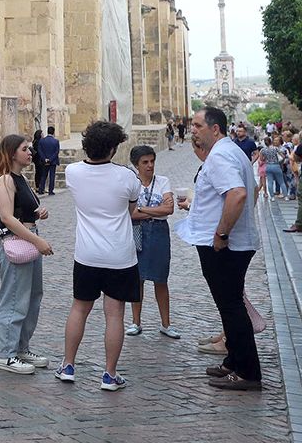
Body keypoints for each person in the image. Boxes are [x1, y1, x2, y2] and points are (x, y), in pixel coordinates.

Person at [176, 107, 262, 390]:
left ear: (215, 129)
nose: (193, 130)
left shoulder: (222, 155)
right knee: (229, 306)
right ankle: (234, 361)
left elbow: (237, 194)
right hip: (232, 242)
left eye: (198, 126)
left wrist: (221, 233)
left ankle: (248, 372)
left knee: (232, 307)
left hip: (227, 245)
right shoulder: (228, 151)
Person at [56, 121, 140, 391]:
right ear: (114, 148)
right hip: (119, 255)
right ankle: (110, 374)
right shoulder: (126, 176)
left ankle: (68, 365)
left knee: (79, 308)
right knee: (114, 315)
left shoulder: (73, 172)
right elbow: (132, 207)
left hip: (87, 254)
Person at [0, 134, 53, 374]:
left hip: (28, 239)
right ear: (12, 153)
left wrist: (38, 213)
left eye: (30, 149)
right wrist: (38, 241)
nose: (30, 153)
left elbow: (23, 211)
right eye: (25, 149)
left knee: (33, 296)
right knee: (14, 298)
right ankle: (6, 354)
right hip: (17, 242)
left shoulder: (21, 178)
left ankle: (20, 347)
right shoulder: (5, 179)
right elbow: (6, 217)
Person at [122, 147, 179, 339]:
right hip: (136, 232)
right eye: (145, 162)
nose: (150, 166)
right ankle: (135, 322)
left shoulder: (163, 181)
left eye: (152, 161)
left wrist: (143, 210)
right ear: (136, 165)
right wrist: (155, 209)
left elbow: (169, 209)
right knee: (136, 279)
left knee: (161, 279)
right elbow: (131, 213)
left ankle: (166, 324)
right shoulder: (132, 184)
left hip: (159, 233)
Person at [37, 126, 60, 196]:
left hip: (44, 161)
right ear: (53, 132)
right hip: (53, 161)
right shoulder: (56, 141)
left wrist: (45, 159)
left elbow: (40, 151)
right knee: (52, 176)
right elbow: (56, 152)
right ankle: (51, 190)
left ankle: (41, 189)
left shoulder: (42, 141)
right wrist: (50, 159)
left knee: (44, 175)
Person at [262, 134, 286, 199]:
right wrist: (281, 161)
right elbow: (283, 156)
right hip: (276, 165)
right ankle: (286, 196)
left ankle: (272, 197)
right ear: (271, 141)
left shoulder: (263, 150)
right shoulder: (275, 148)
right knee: (281, 181)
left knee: (270, 182)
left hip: (268, 166)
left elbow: (262, 159)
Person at [32, 129, 47, 194]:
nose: (43, 135)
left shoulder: (35, 141)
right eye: (42, 134)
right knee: (41, 174)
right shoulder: (39, 142)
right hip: (40, 160)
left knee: (38, 173)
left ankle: (38, 187)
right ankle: (40, 187)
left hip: (37, 160)